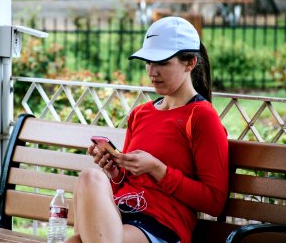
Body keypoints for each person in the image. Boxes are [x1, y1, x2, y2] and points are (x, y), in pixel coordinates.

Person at [65, 17, 229, 243]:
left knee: (78, 231)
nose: (152, 71)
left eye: (162, 62)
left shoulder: (201, 116)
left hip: (162, 226)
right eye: (148, 62)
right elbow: (128, 183)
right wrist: (115, 172)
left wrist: (158, 169)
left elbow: (214, 201)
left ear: (190, 62)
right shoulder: (141, 113)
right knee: (89, 179)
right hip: (122, 213)